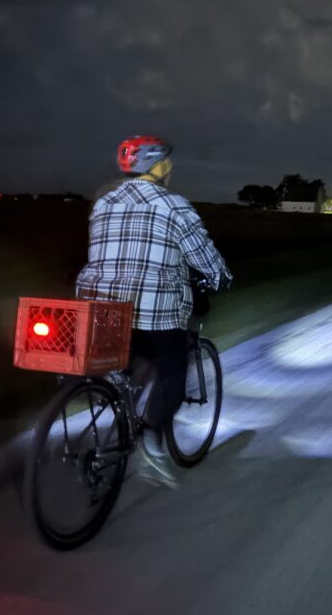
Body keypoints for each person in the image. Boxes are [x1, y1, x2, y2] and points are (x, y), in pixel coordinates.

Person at [76, 135, 231, 488]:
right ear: (156, 165)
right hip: (155, 309)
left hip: (103, 307)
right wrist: (222, 278)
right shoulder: (173, 205)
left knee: (129, 357)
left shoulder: (104, 203)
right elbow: (205, 257)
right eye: (167, 161)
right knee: (173, 373)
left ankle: (116, 394)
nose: (171, 166)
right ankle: (150, 439)